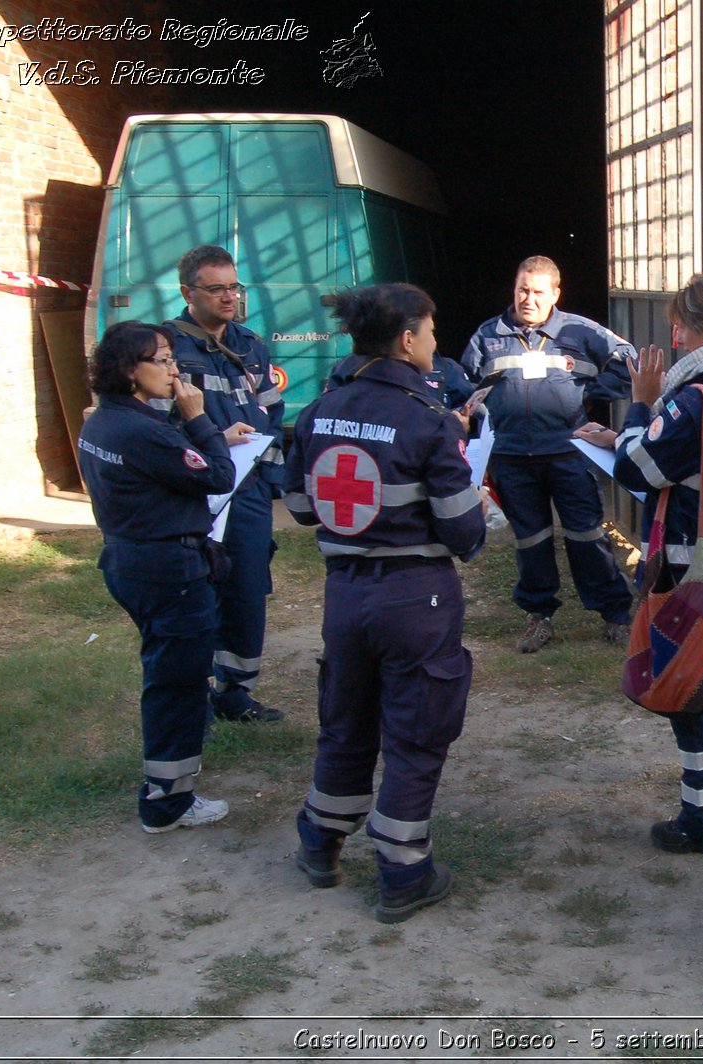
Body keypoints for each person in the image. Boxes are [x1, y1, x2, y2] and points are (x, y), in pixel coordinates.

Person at [285, 284, 488, 923]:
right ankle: (404, 871)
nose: (433, 343)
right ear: (407, 339)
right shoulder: (427, 420)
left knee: (345, 716)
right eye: (429, 332)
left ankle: (320, 841)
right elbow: (464, 533)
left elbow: (297, 507)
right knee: (417, 725)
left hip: (343, 593)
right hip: (415, 598)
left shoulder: (318, 411)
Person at [576, 275, 703, 856]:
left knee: (689, 690)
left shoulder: (693, 398)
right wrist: (628, 434)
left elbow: (638, 471)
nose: (674, 335)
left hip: (693, 562)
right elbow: (685, 458)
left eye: (680, 325)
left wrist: (641, 400)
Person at [78, 322, 235, 833]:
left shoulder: (103, 422)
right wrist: (200, 421)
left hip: (131, 561)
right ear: (129, 372)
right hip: (169, 571)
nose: (174, 370)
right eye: (162, 360)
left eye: (172, 359)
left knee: (168, 673)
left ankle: (169, 785)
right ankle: (167, 801)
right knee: (178, 684)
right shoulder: (143, 430)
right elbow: (218, 475)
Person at [459, 256, 636, 653]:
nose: (528, 298)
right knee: (530, 540)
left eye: (539, 291)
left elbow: (630, 360)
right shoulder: (489, 335)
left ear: (556, 293)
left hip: (567, 454)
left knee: (587, 535)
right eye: (523, 289)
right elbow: (464, 385)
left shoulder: (580, 331)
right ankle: (538, 617)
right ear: (514, 288)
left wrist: (590, 394)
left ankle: (615, 615)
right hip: (512, 458)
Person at [166, 244, 286, 724]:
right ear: (187, 292)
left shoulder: (251, 344)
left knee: (246, 591)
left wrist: (270, 481)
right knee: (196, 596)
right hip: (195, 494)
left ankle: (236, 692)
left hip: (249, 490)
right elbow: (154, 431)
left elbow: (272, 414)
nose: (229, 296)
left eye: (233, 286)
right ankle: (192, 702)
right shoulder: (166, 348)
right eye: (216, 288)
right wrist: (214, 439)